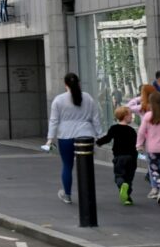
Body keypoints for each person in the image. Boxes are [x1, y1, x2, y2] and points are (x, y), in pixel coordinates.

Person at [45, 72, 103, 205]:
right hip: (86, 135)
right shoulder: (88, 98)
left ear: (65, 84)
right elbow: (95, 118)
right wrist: (99, 135)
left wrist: (50, 139)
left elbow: (53, 121)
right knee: (86, 167)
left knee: (67, 165)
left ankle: (67, 194)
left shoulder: (59, 100)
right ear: (79, 83)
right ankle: (87, 194)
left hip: (65, 135)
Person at [136, 91, 160, 205]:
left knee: (154, 170)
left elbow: (141, 132)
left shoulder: (148, 116)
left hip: (152, 149)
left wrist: (139, 144)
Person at [97, 106, 138, 205]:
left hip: (119, 157)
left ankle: (122, 185)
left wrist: (98, 142)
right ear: (125, 116)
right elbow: (135, 146)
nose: (131, 117)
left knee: (119, 176)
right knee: (129, 179)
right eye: (130, 115)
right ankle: (127, 198)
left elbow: (107, 138)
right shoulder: (132, 131)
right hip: (131, 158)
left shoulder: (114, 128)